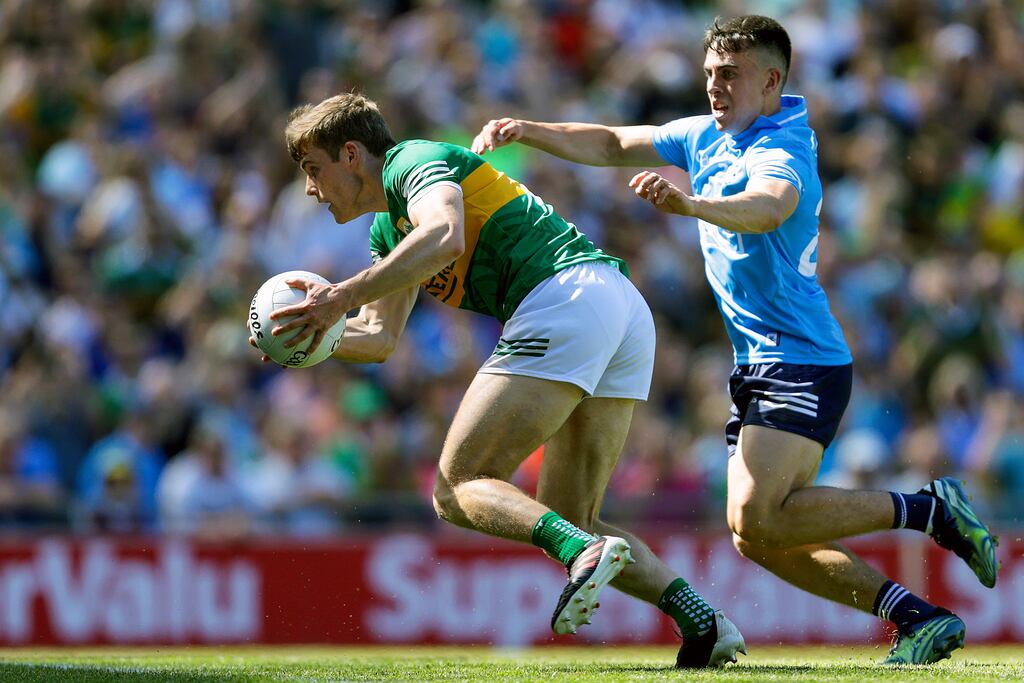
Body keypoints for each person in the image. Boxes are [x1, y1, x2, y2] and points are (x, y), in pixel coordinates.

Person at [471, 14, 999, 665]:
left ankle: (929, 510)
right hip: (760, 362)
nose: (716, 86)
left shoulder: (783, 145)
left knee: (760, 517)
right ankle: (917, 617)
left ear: (771, 80)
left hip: (801, 359)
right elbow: (610, 140)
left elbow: (769, 205)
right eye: (711, 73)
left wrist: (692, 205)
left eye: (731, 74)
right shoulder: (704, 135)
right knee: (756, 532)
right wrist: (531, 130)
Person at [249, 92, 745, 667]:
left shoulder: (412, 161)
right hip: (614, 308)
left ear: (352, 154)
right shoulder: (387, 233)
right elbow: (380, 338)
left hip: (564, 297)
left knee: (457, 486)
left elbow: (446, 234)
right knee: (570, 513)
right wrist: (312, 341)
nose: (310, 189)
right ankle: (704, 624)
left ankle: (581, 551)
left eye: (314, 170)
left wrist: (343, 295)